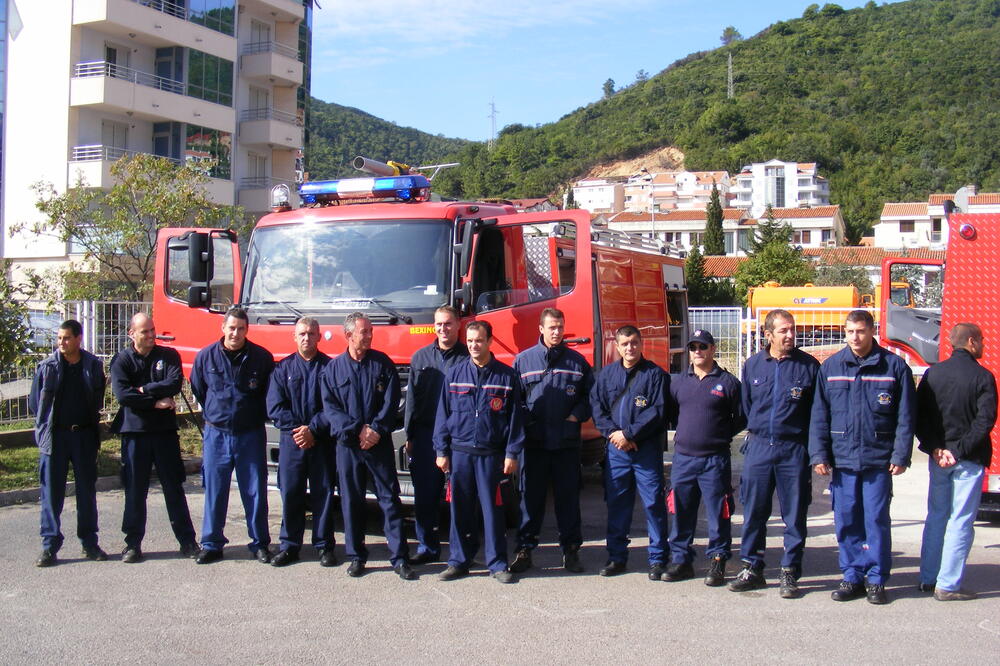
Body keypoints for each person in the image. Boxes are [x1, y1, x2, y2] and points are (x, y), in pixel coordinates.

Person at [809, 309, 915, 605]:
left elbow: (906, 417)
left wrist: (901, 454)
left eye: (861, 331)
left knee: (877, 520)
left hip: (878, 460)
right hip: (843, 461)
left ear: (872, 332)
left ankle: (877, 579)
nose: (855, 337)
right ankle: (852, 575)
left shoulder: (894, 367)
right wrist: (819, 454)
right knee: (846, 520)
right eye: (850, 331)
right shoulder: (831, 367)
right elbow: (819, 416)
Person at [730, 311, 819, 598]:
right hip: (758, 446)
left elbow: (818, 415)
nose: (790, 335)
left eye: (792, 329)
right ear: (768, 335)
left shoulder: (808, 367)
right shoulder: (754, 365)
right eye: (783, 330)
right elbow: (746, 408)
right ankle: (751, 567)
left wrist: (816, 453)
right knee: (754, 510)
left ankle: (790, 571)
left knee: (794, 514)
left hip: (793, 448)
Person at [321, 312, 414, 580]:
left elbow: (391, 402)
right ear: (349, 335)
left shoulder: (382, 364)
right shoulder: (333, 369)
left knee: (389, 500)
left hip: (378, 445)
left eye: (370, 331)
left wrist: (375, 429)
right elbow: (331, 408)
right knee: (352, 501)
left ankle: (399, 558)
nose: (370, 335)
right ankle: (356, 557)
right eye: (364, 332)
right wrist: (357, 429)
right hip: (348, 447)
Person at [434, 320, 525, 584]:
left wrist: (511, 453)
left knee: (492, 511)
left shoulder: (506, 377)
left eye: (479, 341)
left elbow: (514, 420)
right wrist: (441, 450)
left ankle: (497, 564)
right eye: (470, 341)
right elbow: (443, 415)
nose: (474, 345)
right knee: (459, 509)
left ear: (489, 342)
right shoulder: (454, 374)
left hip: (491, 455)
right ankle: (458, 561)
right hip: (460, 453)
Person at [916, 323, 997, 601]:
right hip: (968, 459)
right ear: (972, 342)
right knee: (961, 520)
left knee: (936, 516)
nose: (984, 344)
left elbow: (921, 417)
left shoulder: (932, 374)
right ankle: (948, 584)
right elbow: (984, 421)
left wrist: (937, 448)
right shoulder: (983, 377)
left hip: (939, 459)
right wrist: (959, 450)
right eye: (982, 340)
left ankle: (928, 577)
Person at [510, 307, 594, 574]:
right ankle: (525, 550)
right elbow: (515, 402)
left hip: (566, 446)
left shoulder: (578, 363)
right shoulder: (522, 362)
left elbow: (590, 398)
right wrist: (528, 420)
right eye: (551, 327)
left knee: (567, 501)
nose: (556, 332)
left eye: (560, 327)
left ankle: (570, 551)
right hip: (534, 446)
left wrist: (576, 415)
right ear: (541, 329)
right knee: (530, 501)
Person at [109, 313, 198, 563]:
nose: (150, 335)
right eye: (144, 331)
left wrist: (144, 390)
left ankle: (188, 541)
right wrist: (155, 403)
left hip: (165, 435)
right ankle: (132, 544)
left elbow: (173, 383)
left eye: (152, 330)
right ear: (131, 334)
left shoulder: (168, 356)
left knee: (174, 488)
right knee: (135, 490)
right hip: (135, 435)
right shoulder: (121, 360)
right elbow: (123, 395)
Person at [189, 307, 275, 564]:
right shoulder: (205, 357)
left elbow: (267, 394)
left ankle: (259, 543)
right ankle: (212, 543)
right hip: (217, 434)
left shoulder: (261, 358)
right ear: (223, 328)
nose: (235, 333)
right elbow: (199, 388)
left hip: (250, 434)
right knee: (215, 490)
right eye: (231, 328)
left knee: (255, 491)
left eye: (240, 329)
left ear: (247, 330)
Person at [665, 329, 745, 586]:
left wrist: (719, 434)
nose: (697, 351)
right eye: (693, 347)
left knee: (718, 513)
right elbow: (673, 413)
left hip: (714, 461)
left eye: (703, 347)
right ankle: (681, 560)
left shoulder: (729, 383)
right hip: (684, 459)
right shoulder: (678, 383)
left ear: (712, 349)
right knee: (681, 512)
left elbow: (742, 417)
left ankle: (718, 560)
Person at [590, 325, 670, 580]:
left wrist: (630, 435)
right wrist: (615, 434)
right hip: (617, 451)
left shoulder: (655, 375)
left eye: (634, 343)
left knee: (654, 504)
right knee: (617, 504)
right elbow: (597, 407)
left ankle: (657, 559)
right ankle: (616, 557)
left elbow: (657, 412)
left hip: (645, 450)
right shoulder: (606, 375)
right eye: (624, 344)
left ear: (641, 343)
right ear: (616, 345)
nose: (629, 348)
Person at [30, 319, 108, 567]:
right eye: (59, 338)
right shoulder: (47, 367)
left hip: (84, 436)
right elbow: (35, 404)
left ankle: (89, 543)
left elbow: (97, 397)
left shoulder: (92, 366)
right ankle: (49, 546)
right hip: (56, 437)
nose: (61, 343)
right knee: (52, 493)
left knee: (86, 491)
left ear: (78, 339)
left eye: (66, 338)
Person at [266, 317, 338, 568]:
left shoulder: (331, 368)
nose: (307, 338)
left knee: (324, 493)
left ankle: (324, 545)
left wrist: (313, 430)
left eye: (311, 333)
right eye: (302, 334)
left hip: (321, 442)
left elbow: (333, 406)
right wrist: (300, 431)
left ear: (319, 337)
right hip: (292, 442)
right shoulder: (282, 369)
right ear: (294, 337)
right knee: (291, 493)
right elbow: (275, 406)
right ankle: (289, 545)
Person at [404, 305, 468, 565]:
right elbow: (411, 400)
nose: (443, 329)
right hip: (425, 435)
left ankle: (460, 551)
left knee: (460, 496)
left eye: (448, 324)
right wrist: (409, 435)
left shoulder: (468, 357)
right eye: (439, 324)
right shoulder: (419, 358)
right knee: (425, 496)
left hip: (457, 436)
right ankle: (427, 547)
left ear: (458, 325)